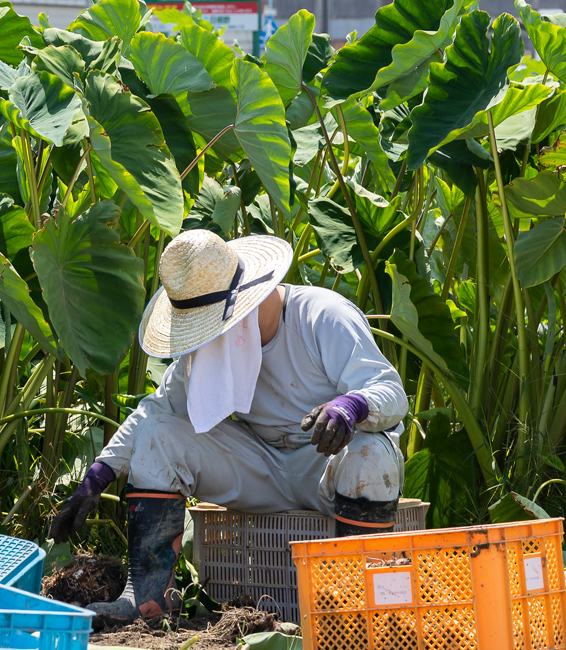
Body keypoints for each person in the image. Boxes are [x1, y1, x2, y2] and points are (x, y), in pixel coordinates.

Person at [50, 229, 407, 625]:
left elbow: (389, 390)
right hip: (262, 466)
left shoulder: (322, 316)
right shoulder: (217, 344)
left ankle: (359, 613)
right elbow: (157, 411)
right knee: (158, 436)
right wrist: (98, 476)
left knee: (371, 453)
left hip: (330, 469)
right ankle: (149, 603)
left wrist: (352, 405)